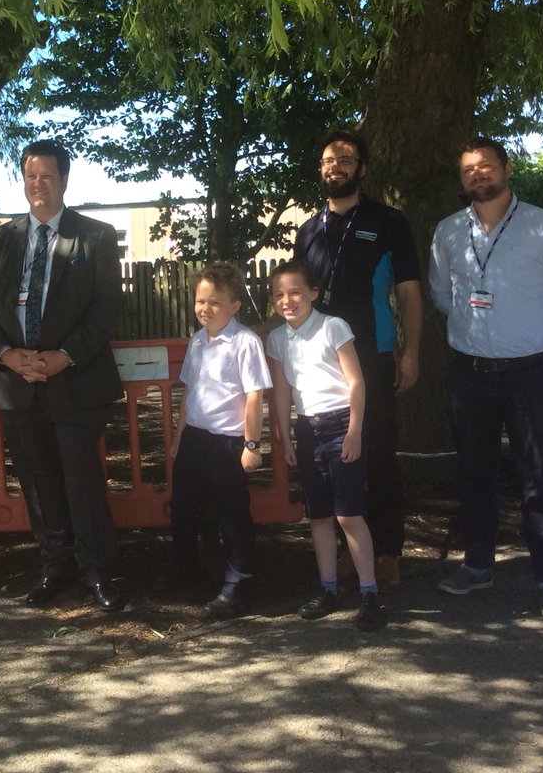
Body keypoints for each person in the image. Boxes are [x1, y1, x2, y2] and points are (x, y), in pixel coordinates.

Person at [429, 137, 543, 619]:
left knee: (539, 478)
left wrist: (523, 333)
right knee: (474, 475)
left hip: (529, 376)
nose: (477, 174)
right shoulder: (448, 231)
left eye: (486, 166)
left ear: (507, 169)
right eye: (468, 169)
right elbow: (441, 294)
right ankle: (478, 566)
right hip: (470, 376)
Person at [0, 139, 125, 612]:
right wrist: (6, 355)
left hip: (76, 381)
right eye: (31, 176)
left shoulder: (95, 237)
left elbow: (106, 308)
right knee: (38, 483)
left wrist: (65, 356)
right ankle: (54, 568)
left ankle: (97, 572)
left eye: (48, 176)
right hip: (19, 384)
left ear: (64, 180)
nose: (38, 184)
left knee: (82, 480)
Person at [295, 129, 422, 589]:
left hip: (373, 355)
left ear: (362, 169)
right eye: (329, 160)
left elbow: (409, 292)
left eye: (345, 159)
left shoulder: (389, 221)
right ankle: (351, 551)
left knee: (379, 454)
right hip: (321, 365)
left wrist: (411, 353)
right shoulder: (308, 230)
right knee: (334, 459)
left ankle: (387, 551)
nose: (336, 167)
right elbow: (297, 297)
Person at [267, 260, 384, 631]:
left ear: (313, 293)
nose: (287, 301)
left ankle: (370, 593)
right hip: (308, 430)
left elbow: (356, 383)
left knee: (348, 514)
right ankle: (329, 589)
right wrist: (285, 436)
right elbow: (282, 391)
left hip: (341, 424)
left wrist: (354, 431)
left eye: (295, 292)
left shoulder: (333, 327)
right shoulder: (277, 339)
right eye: (279, 295)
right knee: (318, 515)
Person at [164, 263, 272, 621]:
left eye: (214, 302)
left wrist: (252, 445)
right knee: (184, 507)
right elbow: (189, 391)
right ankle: (186, 569)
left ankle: (238, 586)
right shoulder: (197, 340)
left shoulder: (245, 342)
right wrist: (179, 436)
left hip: (227, 442)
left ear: (234, 306)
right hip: (195, 438)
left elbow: (254, 396)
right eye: (200, 301)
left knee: (231, 513)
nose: (205, 308)